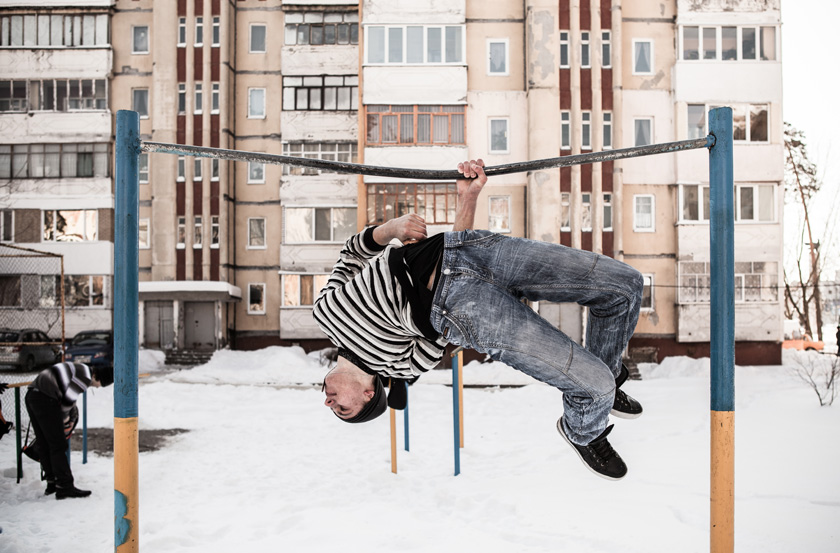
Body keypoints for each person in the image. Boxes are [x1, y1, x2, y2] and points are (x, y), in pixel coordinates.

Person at [314, 159, 644, 480]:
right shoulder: (400, 368)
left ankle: (610, 379)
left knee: (626, 286)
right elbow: (443, 331)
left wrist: (399, 226)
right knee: (595, 387)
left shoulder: (325, 313)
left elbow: (354, 253)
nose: (328, 401)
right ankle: (584, 430)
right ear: (369, 395)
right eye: (341, 408)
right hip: (466, 309)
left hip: (469, 250)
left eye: (332, 405)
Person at [25, 361, 113, 499]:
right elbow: (67, 404)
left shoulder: (82, 369)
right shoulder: (85, 378)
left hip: (32, 395)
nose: (97, 388)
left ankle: (52, 483)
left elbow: (69, 397)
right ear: (98, 378)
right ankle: (65, 486)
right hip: (45, 398)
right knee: (58, 444)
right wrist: (67, 422)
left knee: (44, 443)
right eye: (100, 385)